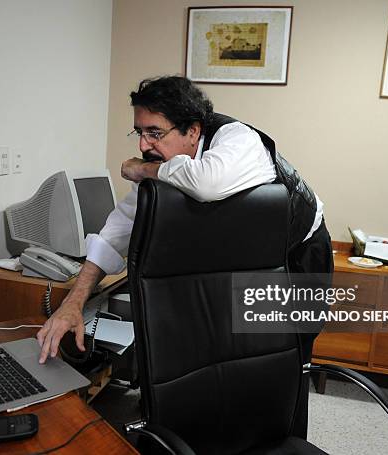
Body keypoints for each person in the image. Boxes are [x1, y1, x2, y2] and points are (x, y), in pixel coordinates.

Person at [36, 76, 332, 363]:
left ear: (192, 131)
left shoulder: (238, 139)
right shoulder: (164, 165)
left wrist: (143, 171)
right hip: (244, 259)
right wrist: (72, 304)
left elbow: (207, 183)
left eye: (155, 133)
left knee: (284, 361)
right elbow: (116, 232)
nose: (142, 146)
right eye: (139, 132)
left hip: (298, 256)